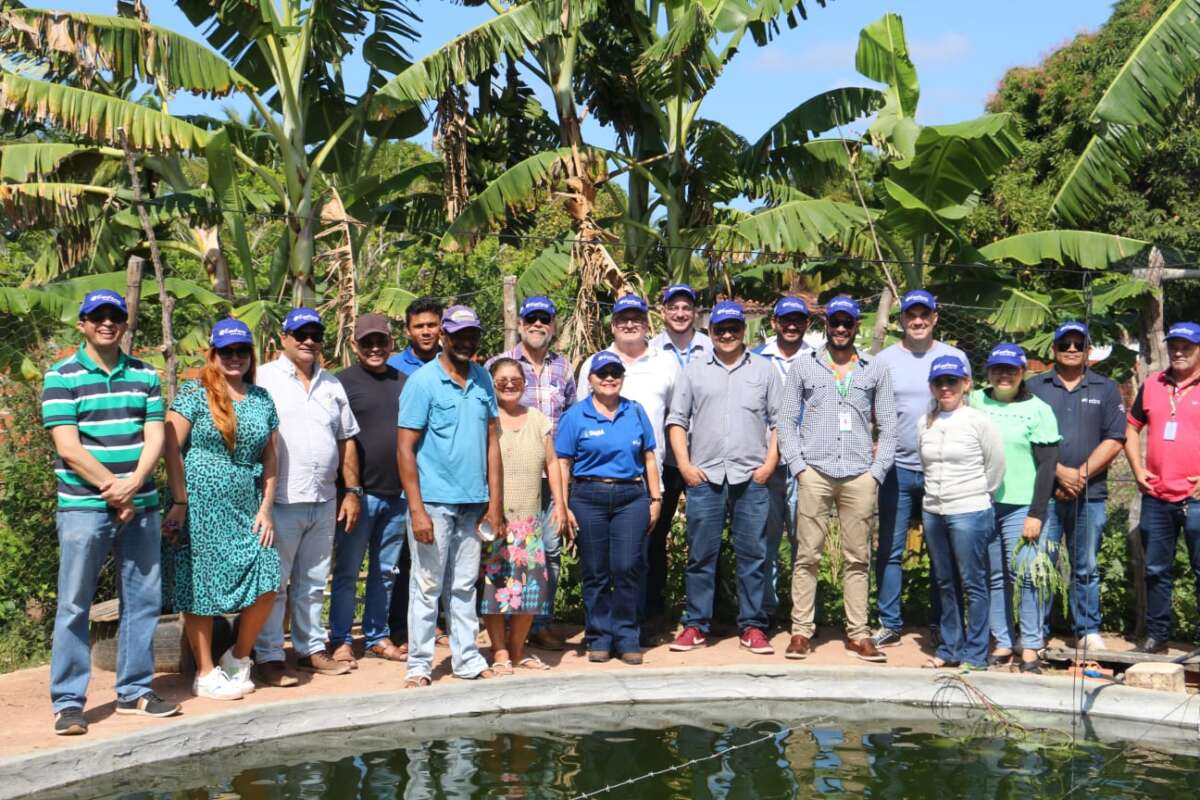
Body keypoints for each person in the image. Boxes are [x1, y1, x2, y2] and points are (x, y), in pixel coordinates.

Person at [42, 290, 179, 734]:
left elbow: (155, 435)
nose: (107, 323)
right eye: (97, 316)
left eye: (115, 316)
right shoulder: (60, 375)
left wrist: (135, 484)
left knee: (143, 601)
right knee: (74, 604)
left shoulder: (144, 374)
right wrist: (114, 490)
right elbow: (68, 447)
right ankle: (68, 702)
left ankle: (134, 690)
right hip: (84, 507)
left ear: (124, 323)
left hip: (140, 503)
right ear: (81, 323)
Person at [162, 319, 280, 700]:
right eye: (226, 351)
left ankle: (238, 656)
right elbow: (170, 447)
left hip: (246, 505)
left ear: (250, 355)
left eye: (241, 351)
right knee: (201, 585)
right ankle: (204, 670)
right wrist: (179, 501)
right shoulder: (194, 395)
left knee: (267, 572)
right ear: (212, 354)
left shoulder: (261, 398)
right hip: (199, 504)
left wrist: (266, 507)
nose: (234, 358)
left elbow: (271, 456)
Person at [776, 295, 897, 662]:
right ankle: (800, 631)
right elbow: (785, 420)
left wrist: (877, 473)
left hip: (859, 474)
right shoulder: (804, 367)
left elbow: (889, 425)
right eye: (835, 322)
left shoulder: (875, 369)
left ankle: (858, 633)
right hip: (815, 471)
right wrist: (798, 465)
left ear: (857, 326)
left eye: (848, 323)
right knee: (806, 555)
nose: (841, 329)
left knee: (857, 557)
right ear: (825, 325)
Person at [254, 308, 361, 685]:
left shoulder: (332, 385)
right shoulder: (263, 377)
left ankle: (310, 649)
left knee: (313, 583)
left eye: (314, 334)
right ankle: (268, 656)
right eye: (299, 334)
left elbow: (346, 440)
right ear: (283, 338)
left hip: (324, 498)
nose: (308, 340)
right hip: (279, 500)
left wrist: (351, 491)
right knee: (275, 583)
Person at [666, 301, 780, 655]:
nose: (727, 335)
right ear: (710, 332)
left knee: (754, 555)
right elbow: (677, 421)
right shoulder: (695, 370)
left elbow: (779, 422)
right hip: (706, 476)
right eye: (720, 329)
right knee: (701, 555)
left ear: (743, 330)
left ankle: (753, 626)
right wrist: (684, 465)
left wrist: (769, 465)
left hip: (751, 476)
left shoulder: (765, 370)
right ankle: (697, 625)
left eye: (733, 329)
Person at [397, 305, 503, 686]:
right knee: (426, 585)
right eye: (458, 334)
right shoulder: (422, 382)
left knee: (462, 585)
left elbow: (493, 443)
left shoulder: (483, 380)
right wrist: (417, 509)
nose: (465, 342)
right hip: (434, 503)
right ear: (443, 335)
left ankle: (467, 658)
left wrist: (495, 504)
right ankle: (419, 664)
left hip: (473, 503)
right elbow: (405, 448)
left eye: (472, 334)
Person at [871, 290, 967, 649]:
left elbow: (964, 408)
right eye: (911, 315)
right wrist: (871, 442)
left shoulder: (954, 357)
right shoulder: (883, 360)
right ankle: (890, 623)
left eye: (924, 314)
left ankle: (943, 623)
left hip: (940, 471)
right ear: (901, 320)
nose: (917, 321)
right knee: (890, 550)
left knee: (942, 550)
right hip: (896, 467)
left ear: (935, 318)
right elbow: (867, 407)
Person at [577, 295, 678, 636]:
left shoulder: (665, 363)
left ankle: (637, 624)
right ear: (613, 324)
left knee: (640, 556)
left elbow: (678, 417)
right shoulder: (593, 362)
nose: (629, 324)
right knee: (600, 561)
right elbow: (578, 420)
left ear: (647, 322)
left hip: (651, 474)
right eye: (623, 319)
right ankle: (602, 630)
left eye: (636, 318)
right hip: (596, 481)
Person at [557, 351, 662, 664]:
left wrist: (655, 499)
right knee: (596, 570)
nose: (609, 378)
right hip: (588, 497)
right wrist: (564, 505)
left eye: (615, 372)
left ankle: (627, 635)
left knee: (628, 567)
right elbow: (563, 462)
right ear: (590, 380)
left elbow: (649, 457)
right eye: (602, 373)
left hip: (632, 497)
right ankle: (599, 636)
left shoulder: (635, 411)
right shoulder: (575, 416)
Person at [485, 296, 575, 652]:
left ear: (552, 325)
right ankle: (498, 628)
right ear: (520, 324)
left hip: (548, 476)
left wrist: (563, 493)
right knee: (497, 551)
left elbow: (567, 420)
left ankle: (539, 623)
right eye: (531, 318)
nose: (538, 324)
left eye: (544, 319)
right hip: (504, 476)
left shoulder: (563, 368)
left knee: (547, 552)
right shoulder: (499, 365)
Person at [1029, 322, 1125, 652]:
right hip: (1045, 495)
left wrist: (1078, 476)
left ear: (1088, 350)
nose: (1071, 349)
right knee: (1041, 563)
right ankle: (1035, 631)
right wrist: (1058, 473)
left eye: (1078, 343)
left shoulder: (1106, 388)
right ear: (1053, 348)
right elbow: (1025, 438)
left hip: (1090, 495)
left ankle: (1087, 628)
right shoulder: (1034, 386)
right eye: (1065, 343)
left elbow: (1115, 439)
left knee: (1085, 565)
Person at [327, 314, 410, 667]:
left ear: (391, 343)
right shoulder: (339, 383)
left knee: (386, 571)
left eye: (381, 341)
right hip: (357, 496)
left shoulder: (405, 382)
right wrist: (347, 489)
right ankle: (342, 639)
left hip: (398, 495)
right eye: (367, 343)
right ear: (354, 346)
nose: (375, 348)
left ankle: (376, 636)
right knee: (347, 571)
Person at [972, 344, 1061, 674]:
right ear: (989, 372)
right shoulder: (975, 402)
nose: (1004, 375)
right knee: (994, 576)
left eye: (1011, 369)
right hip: (982, 503)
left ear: (1023, 372)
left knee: (1026, 576)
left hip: (1023, 506)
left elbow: (1048, 466)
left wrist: (1036, 513)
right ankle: (1003, 641)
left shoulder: (1039, 410)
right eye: (997, 369)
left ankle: (1031, 644)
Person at [917, 356, 1005, 670]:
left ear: (965, 384)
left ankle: (975, 654)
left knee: (973, 583)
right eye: (939, 382)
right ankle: (950, 648)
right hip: (934, 511)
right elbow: (925, 466)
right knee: (944, 582)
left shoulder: (978, 421)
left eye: (952, 381)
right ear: (931, 387)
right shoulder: (924, 422)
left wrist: (978, 495)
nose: (945, 388)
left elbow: (995, 467)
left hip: (969, 510)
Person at [481, 358, 566, 672]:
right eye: (501, 379)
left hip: (529, 520)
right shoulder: (486, 419)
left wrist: (559, 502)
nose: (508, 384)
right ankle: (499, 650)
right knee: (494, 588)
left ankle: (518, 651)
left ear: (524, 382)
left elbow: (552, 464)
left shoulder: (538, 419)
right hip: (495, 520)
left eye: (515, 378)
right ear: (492, 382)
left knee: (530, 591)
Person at [1125, 321, 1200, 654]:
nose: (1179, 351)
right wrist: (1137, 468)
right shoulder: (1153, 383)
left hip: (1197, 498)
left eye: (1187, 346)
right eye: (1175, 345)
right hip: (1156, 496)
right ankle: (1157, 636)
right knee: (1156, 570)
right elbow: (1130, 427)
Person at [644, 284, 711, 636]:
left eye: (687, 307)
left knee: (704, 536)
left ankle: (701, 614)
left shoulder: (712, 346)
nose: (681, 313)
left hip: (706, 455)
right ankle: (655, 610)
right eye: (674, 307)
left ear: (695, 312)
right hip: (665, 459)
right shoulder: (651, 350)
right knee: (655, 534)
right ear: (663, 310)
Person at [384, 296, 444, 646]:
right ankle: (399, 627)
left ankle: (437, 622)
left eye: (431, 325)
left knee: (438, 554)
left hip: (441, 477)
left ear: (442, 329)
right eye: (419, 326)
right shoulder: (393, 366)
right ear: (408, 330)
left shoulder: (453, 363)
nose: (426, 331)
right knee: (400, 559)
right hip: (400, 478)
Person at [752, 296, 814, 627]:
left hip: (807, 464)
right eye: (785, 320)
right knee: (765, 541)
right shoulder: (757, 359)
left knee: (805, 542)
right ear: (774, 322)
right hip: (767, 462)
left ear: (807, 324)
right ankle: (765, 610)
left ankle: (803, 616)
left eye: (798, 320)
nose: (791, 326)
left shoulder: (820, 360)